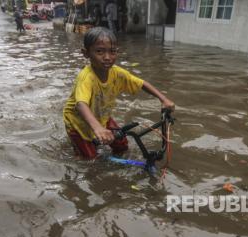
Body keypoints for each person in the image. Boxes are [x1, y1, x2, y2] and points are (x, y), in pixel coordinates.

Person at [63, 27, 175, 159]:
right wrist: (98, 128)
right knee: (89, 157)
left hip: (101, 116)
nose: (107, 57)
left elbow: (141, 83)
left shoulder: (117, 73)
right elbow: (81, 104)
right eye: (99, 51)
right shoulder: (86, 77)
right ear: (86, 53)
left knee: (122, 145)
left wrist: (163, 99)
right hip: (77, 122)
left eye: (112, 52)